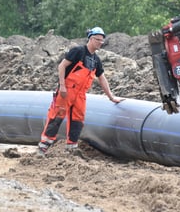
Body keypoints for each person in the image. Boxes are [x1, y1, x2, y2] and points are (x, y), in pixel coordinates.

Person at [38, 27, 123, 155]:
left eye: (102, 41)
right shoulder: (78, 51)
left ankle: (71, 148)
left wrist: (111, 97)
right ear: (91, 39)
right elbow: (62, 66)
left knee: (77, 120)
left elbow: (102, 79)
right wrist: (62, 86)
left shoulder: (96, 60)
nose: (100, 43)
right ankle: (43, 147)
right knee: (56, 117)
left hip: (80, 94)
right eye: (98, 40)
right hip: (67, 90)